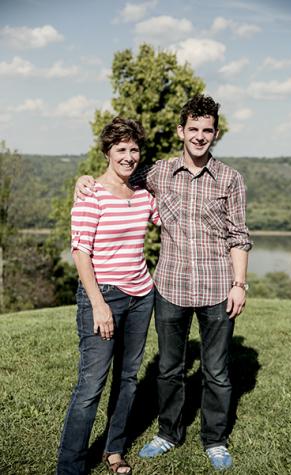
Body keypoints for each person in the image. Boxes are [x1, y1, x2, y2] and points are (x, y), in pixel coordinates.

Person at [75, 94, 252, 471]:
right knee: (169, 368)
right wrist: (84, 179)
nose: (200, 136)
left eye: (207, 130)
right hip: (169, 288)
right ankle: (169, 432)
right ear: (181, 131)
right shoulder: (157, 172)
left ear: (215, 133)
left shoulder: (231, 180)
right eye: (193, 129)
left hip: (217, 289)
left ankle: (215, 438)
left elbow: (239, 234)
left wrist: (240, 283)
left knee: (216, 370)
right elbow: (117, 177)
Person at [57, 117, 160, 475]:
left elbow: (175, 221)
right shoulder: (91, 194)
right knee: (91, 385)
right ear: (107, 152)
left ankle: (114, 450)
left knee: (128, 379)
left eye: (134, 149)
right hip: (104, 297)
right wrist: (98, 303)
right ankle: (69, 467)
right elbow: (80, 251)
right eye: (121, 149)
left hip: (141, 296)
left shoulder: (145, 195)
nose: (129, 156)